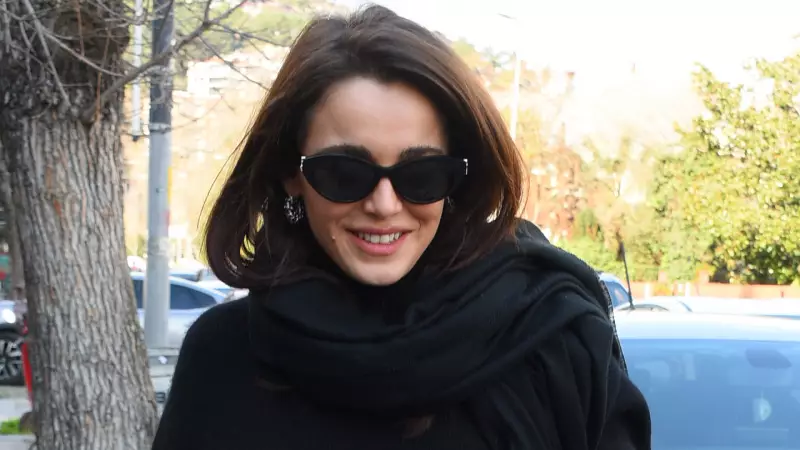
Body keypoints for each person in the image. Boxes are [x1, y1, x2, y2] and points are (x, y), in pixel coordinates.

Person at [152, 5, 651, 450]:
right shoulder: (223, 355)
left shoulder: (551, 341)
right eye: (345, 172)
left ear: (457, 179)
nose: (384, 205)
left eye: (421, 175)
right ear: (291, 175)